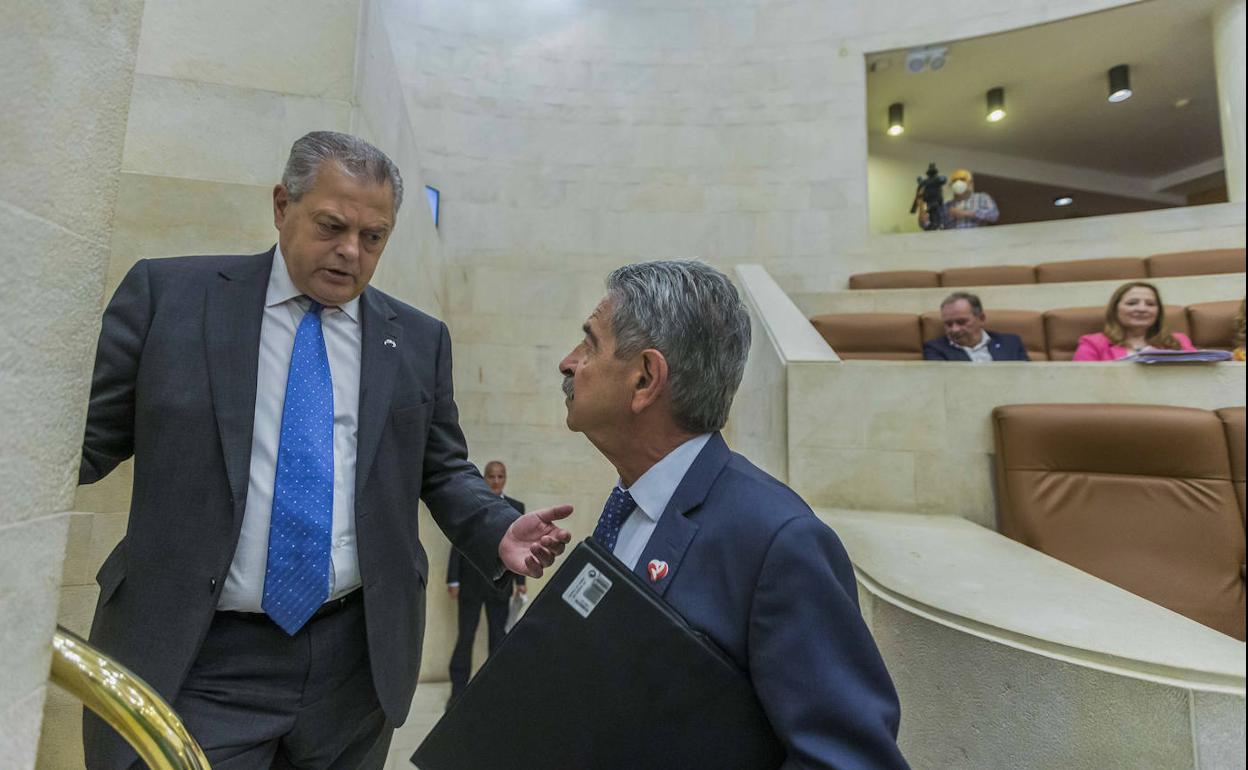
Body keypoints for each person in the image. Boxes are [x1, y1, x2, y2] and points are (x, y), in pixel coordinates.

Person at [78, 131, 572, 769]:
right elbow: (77, 444)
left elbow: (442, 467)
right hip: (197, 655)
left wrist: (498, 528)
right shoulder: (170, 299)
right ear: (282, 205)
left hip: (352, 665)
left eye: (373, 238)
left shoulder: (419, 341)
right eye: (332, 226)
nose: (350, 252)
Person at [557, 260, 908, 769]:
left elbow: (850, 761)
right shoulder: (624, 511)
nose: (568, 363)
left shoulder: (780, 542)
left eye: (589, 343)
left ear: (645, 379)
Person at [446, 459, 526, 703]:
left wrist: (521, 582)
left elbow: (521, 546)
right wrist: (453, 579)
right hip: (470, 583)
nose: (495, 481)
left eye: (500, 476)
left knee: (498, 638)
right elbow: (458, 543)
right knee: (465, 636)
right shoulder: (473, 505)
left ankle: (494, 691)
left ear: (505, 478)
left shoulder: (516, 507)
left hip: (500, 585)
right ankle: (457, 692)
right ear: (484, 478)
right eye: (491, 476)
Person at [1073, 281, 1196, 361]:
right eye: (1132, 303)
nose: (1142, 309)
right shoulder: (1092, 343)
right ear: (1115, 309)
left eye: (1150, 304)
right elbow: (1081, 382)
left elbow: (1198, 377)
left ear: (1158, 311)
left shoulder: (1178, 341)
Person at [923, 292, 1030, 362]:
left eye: (961, 322)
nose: (954, 329)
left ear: (981, 318)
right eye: (948, 324)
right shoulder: (935, 349)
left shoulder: (1011, 343)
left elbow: (1028, 377)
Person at [919, 168, 998, 229]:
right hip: (952, 245)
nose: (958, 183)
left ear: (970, 183)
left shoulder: (982, 198)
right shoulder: (947, 206)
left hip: (976, 244)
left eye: (962, 180)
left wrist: (966, 213)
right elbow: (929, 225)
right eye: (955, 181)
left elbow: (994, 215)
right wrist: (921, 207)